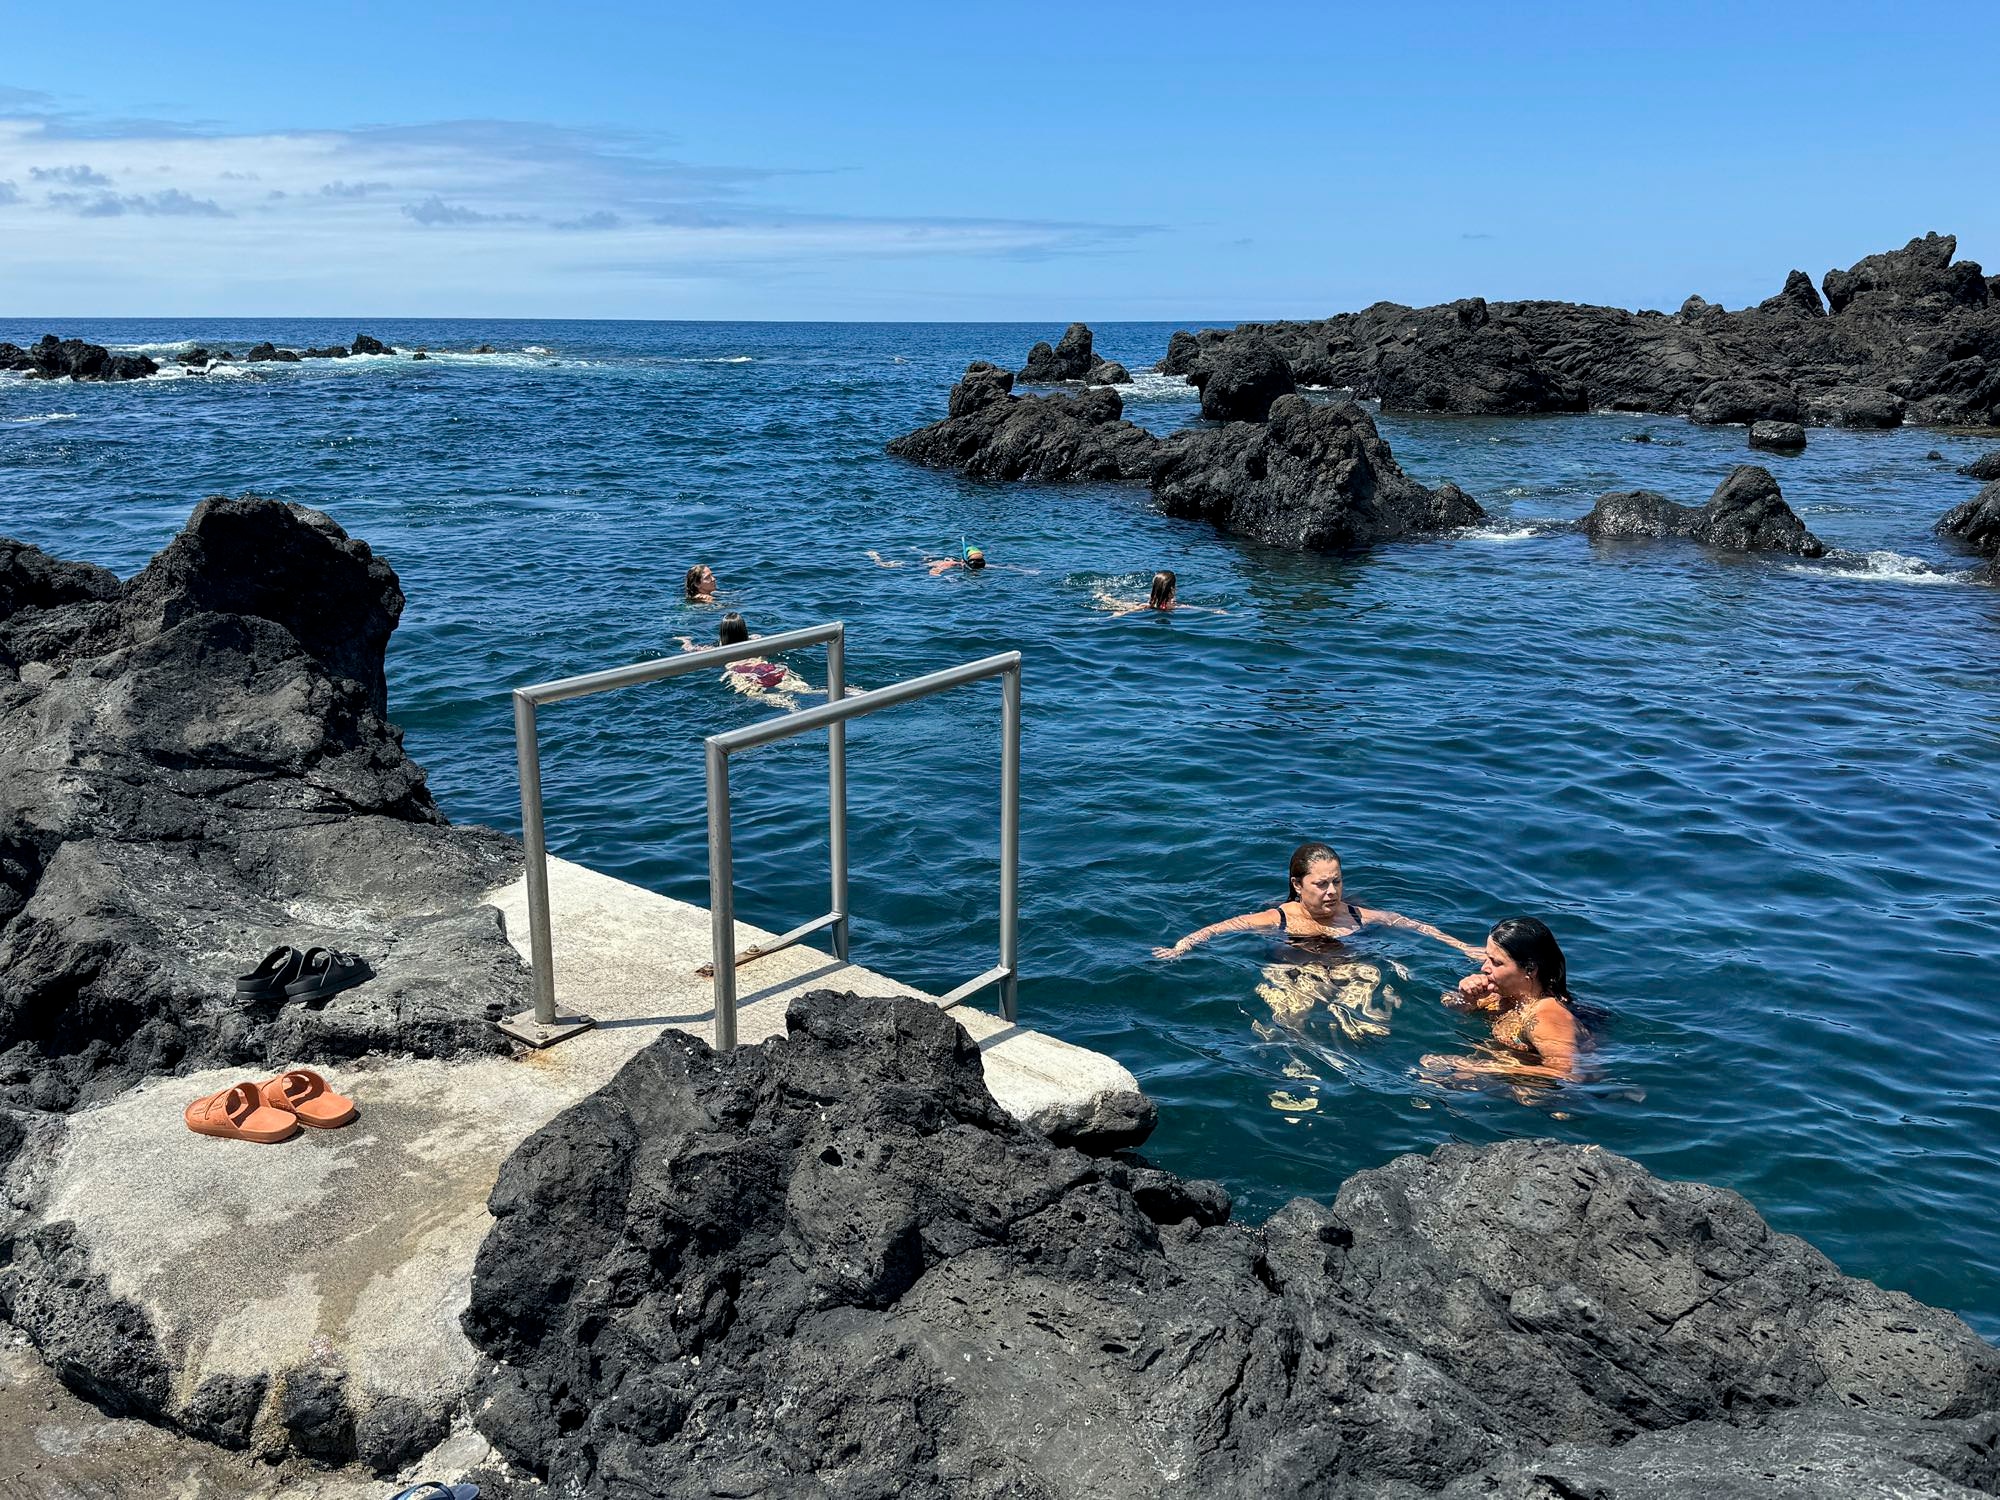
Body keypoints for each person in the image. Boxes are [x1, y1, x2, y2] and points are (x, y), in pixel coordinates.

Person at [1154, 842, 1480, 961]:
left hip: (1346, 969)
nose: (1332, 892)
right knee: (1292, 1007)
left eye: (1337, 881)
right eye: (1321, 884)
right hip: (1293, 971)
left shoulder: (1357, 915)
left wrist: (1461, 946)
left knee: (1369, 994)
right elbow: (1219, 928)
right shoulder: (1278, 918)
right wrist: (1182, 946)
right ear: (1297, 884)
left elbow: (1412, 924)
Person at [1422, 917, 1585, 1083]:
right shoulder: (1506, 993)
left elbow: (1568, 1072)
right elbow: (1449, 1004)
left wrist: (1482, 1067)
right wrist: (1467, 999)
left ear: (1530, 969)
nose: (1484, 968)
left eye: (1496, 962)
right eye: (1487, 958)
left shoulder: (1545, 1018)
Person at [676, 612, 813, 706]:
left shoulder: (716, 650)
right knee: (802, 688)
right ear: (744, 629)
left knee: (758, 696)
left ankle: (788, 705)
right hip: (766, 667)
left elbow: (690, 650)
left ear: (722, 632)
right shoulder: (754, 639)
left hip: (742, 673)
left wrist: (685, 640)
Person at [1096, 569, 1224, 616]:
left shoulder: (1148, 605)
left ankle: (1103, 596)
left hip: (1149, 606)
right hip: (1161, 608)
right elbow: (1198, 609)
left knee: (1122, 604)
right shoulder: (1175, 606)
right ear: (1172, 590)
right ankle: (1104, 597)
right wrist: (1217, 611)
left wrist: (1117, 614)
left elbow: (1125, 612)